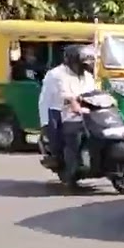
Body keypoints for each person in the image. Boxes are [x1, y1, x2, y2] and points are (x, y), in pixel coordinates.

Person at [40, 45, 98, 181]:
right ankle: (62, 163)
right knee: (60, 141)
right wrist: (74, 102)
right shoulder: (56, 75)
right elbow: (65, 94)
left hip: (80, 111)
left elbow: (93, 92)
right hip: (55, 110)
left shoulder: (87, 76)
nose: (84, 67)